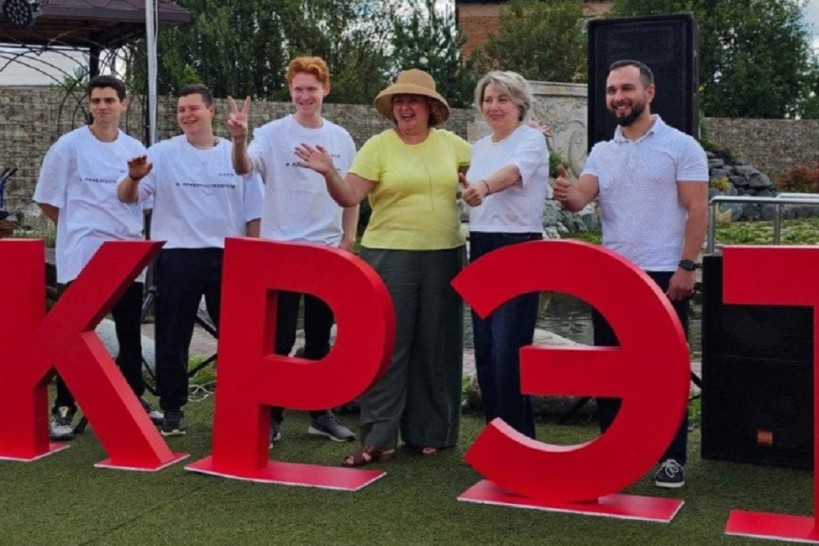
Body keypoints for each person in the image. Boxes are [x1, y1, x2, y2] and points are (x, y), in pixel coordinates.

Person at [294, 69, 471, 466]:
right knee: (388, 347)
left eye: (413, 101)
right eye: (399, 101)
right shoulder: (378, 146)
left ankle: (431, 433)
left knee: (437, 347)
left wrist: (526, 136)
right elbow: (349, 196)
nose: (405, 107)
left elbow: (491, 167)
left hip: (445, 255)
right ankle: (379, 438)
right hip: (389, 256)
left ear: (430, 107)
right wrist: (329, 173)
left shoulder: (452, 145)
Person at [553, 59, 708, 488]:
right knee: (611, 370)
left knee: (665, 373)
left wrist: (686, 266)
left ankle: (671, 458)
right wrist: (566, 193)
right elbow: (580, 199)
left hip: (664, 276)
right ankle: (614, 453)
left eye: (626, 88)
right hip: (613, 278)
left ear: (648, 92)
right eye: (611, 91)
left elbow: (698, 209)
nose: (618, 97)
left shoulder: (681, 146)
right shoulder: (602, 152)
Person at [118, 84, 263, 436]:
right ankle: (173, 409)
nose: (187, 115)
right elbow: (127, 197)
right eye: (181, 109)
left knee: (237, 339)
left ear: (211, 111)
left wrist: (254, 259)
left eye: (193, 108)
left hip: (228, 256)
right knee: (172, 337)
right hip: (175, 256)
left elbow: (254, 213)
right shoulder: (162, 153)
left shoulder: (237, 155)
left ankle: (239, 408)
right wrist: (134, 178)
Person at [227, 56, 357, 444]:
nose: (304, 96)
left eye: (311, 89)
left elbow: (351, 195)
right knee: (278, 341)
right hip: (281, 253)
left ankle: (320, 412)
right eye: (298, 89)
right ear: (290, 91)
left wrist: (348, 239)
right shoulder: (270, 133)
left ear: (325, 90)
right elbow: (243, 168)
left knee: (319, 339)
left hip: (326, 253)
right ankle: (272, 417)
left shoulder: (341, 138)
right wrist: (238, 140)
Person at [33, 74, 163, 440]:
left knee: (129, 330)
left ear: (124, 104)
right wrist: (76, 228)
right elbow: (47, 200)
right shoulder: (68, 146)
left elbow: (143, 202)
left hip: (124, 255)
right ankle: (64, 408)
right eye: (96, 101)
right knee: (73, 333)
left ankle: (135, 398)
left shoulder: (135, 148)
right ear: (89, 105)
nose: (102, 107)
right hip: (82, 255)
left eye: (109, 100)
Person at [460, 71, 550, 439]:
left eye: (502, 99)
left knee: (507, 351)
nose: (494, 106)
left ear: (519, 104)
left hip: (519, 246)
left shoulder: (531, 139)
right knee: (485, 350)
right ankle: (498, 438)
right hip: (482, 245)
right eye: (488, 99)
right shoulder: (479, 147)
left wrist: (482, 186)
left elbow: (513, 173)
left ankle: (520, 441)